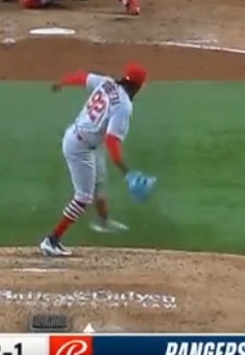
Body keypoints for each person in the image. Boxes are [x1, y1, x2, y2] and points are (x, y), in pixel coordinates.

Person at [39, 64, 157, 257]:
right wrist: (126, 172)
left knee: (98, 184)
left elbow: (81, 77)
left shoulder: (107, 83)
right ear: (138, 86)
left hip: (80, 137)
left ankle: (103, 220)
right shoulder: (124, 107)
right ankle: (52, 240)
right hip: (80, 148)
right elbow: (112, 142)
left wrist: (62, 83)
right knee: (83, 197)